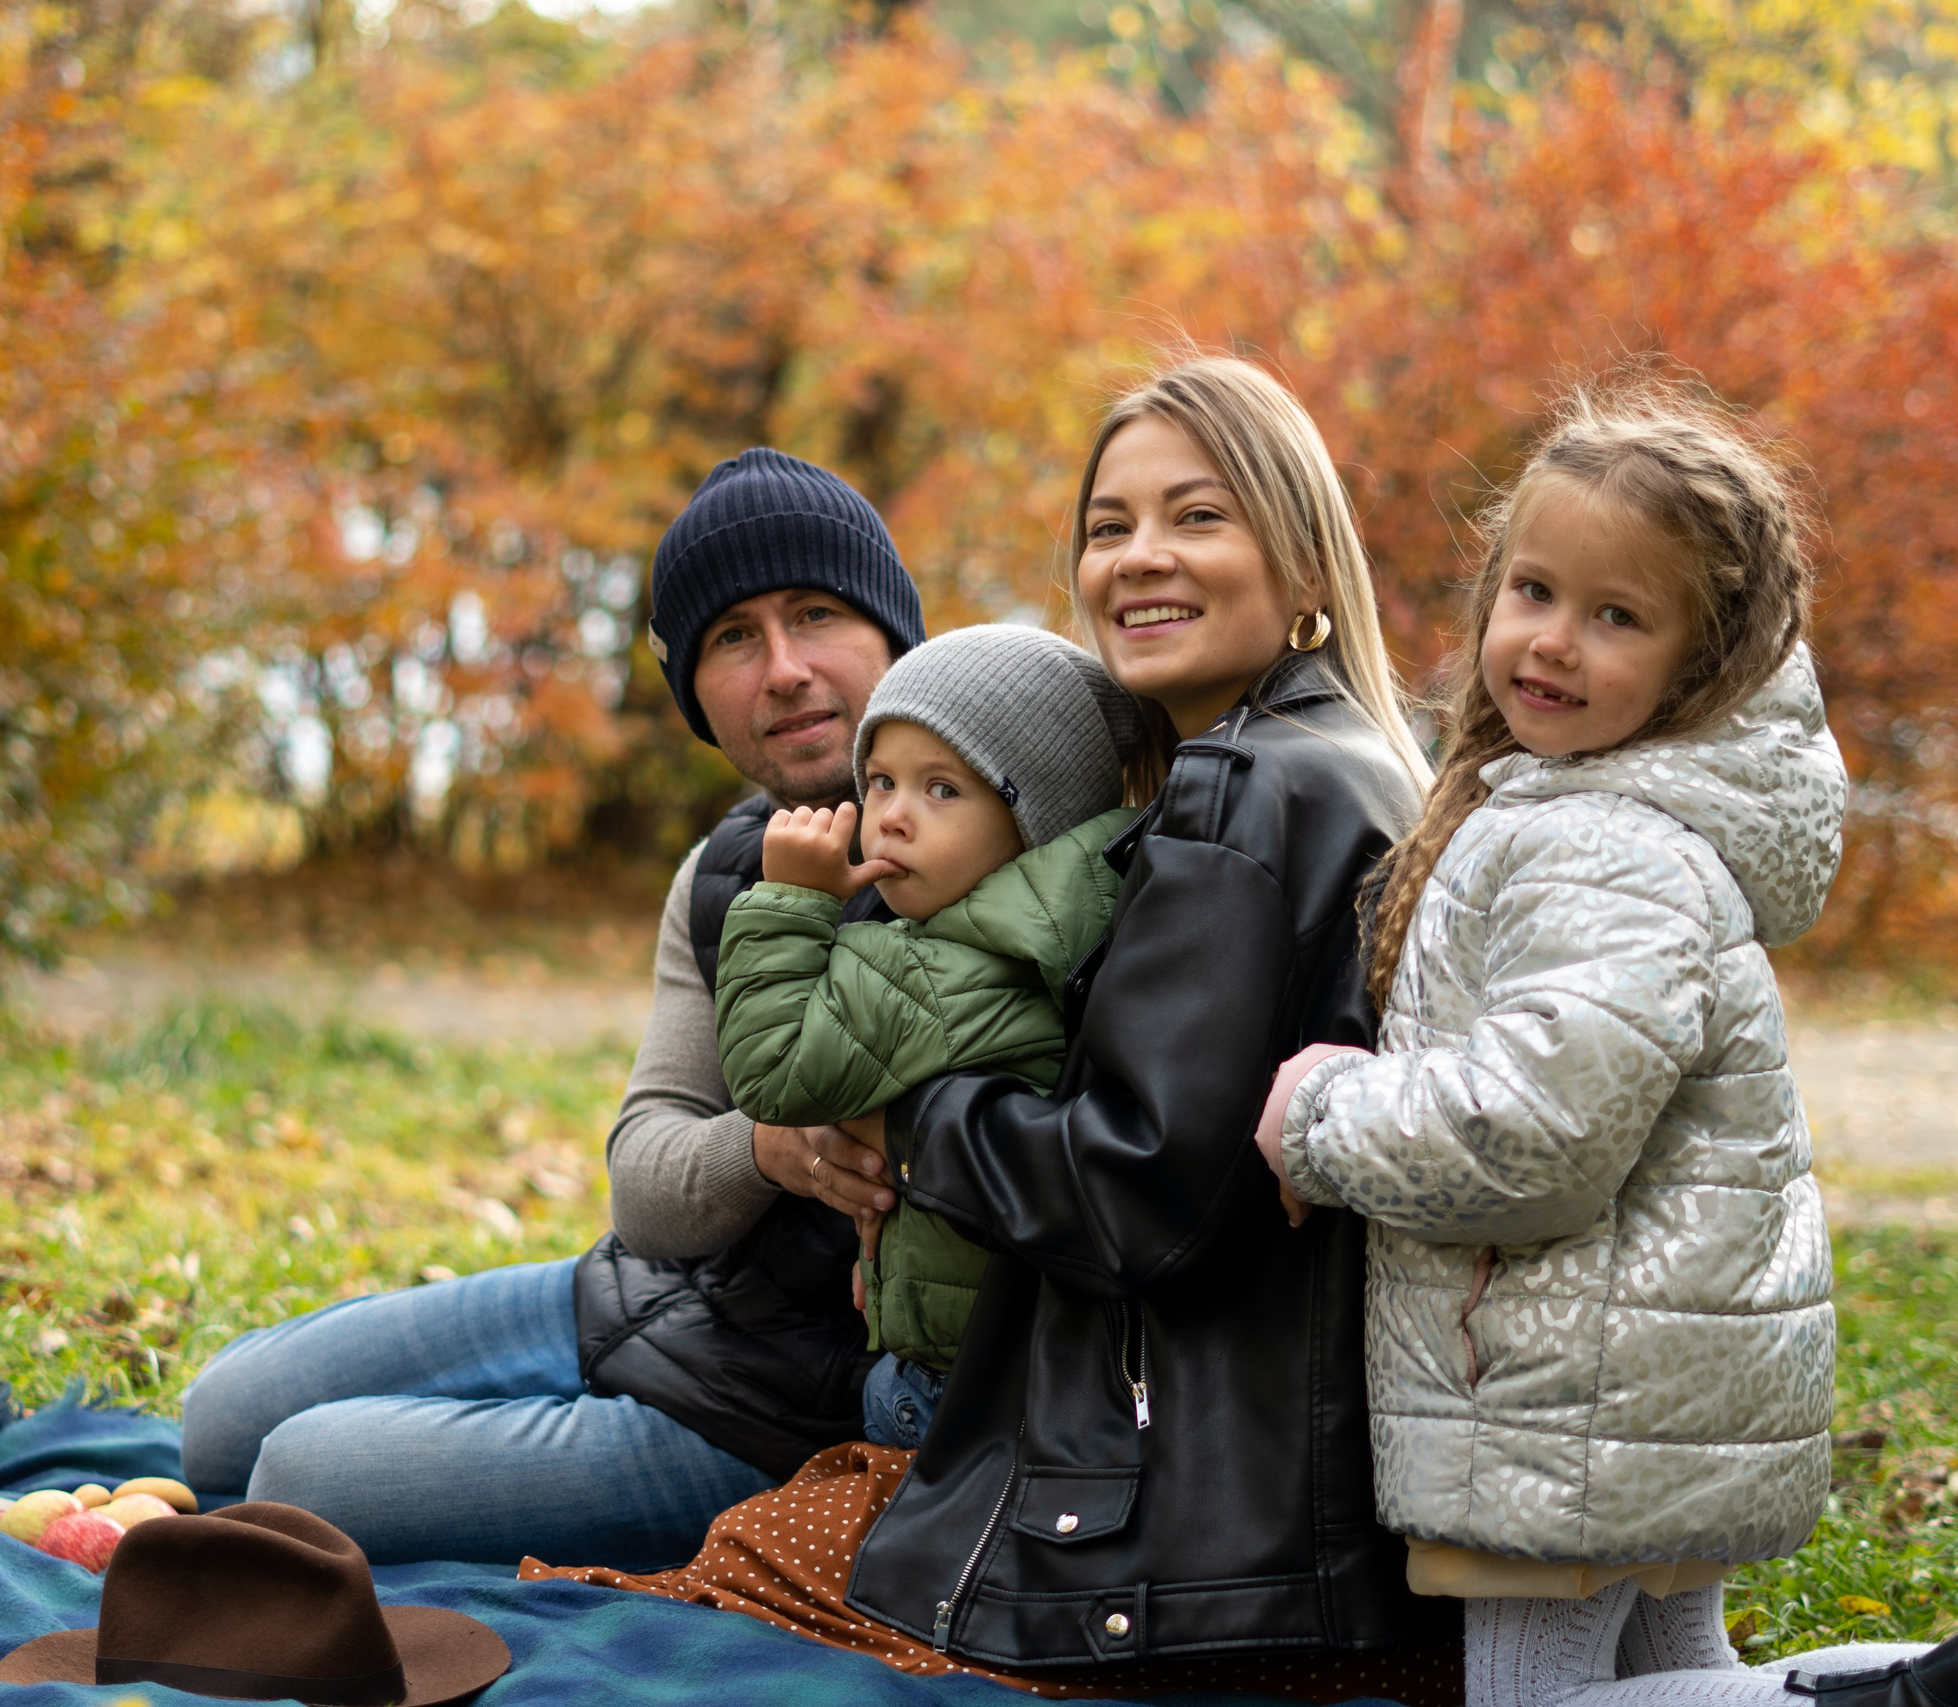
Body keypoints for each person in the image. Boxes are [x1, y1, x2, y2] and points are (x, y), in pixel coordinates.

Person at [1254, 373, 1958, 1707]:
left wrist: (1325, 1111)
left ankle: (1929, 1704)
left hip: (1562, 1377)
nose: (1554, 641)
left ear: (1702, 666)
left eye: (1617, 614)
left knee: (1541, 1703)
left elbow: (1532, 1135)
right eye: (1532, 591)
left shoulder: (1597, 844)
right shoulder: (1621, 818)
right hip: (1645, 1373)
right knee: (1684, 1670)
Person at [811, 353, 1448, 1671]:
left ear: (1310, 566)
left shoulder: (1239, 793)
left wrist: (919, 1113)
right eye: (1111, 527)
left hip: (1178, 1535)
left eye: (1197, 516)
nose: (1140, 557)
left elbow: (1136, 1192)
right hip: (1302, 1500)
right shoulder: (1364, 766)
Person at [177, 447, 924, 1568]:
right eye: (732, 637)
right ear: (692, 694)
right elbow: (647, 1182)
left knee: (299, 1477)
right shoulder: (722, 874)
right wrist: (768, 1150)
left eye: (815, 613)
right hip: (640, 1293)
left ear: (893, 634)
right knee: (217, 1422)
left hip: (764, 1413)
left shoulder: (986, 851)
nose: (782, 670)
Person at [712, 624, 1141, 1395]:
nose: (892, 816)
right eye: (880, 781)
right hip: (1013, 1363)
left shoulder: (943, 966)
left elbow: (772, 1072)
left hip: (948, 1387)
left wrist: (789, 899)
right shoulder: (1049, 929)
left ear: (1034, 821)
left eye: (942, 788)